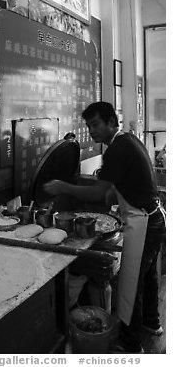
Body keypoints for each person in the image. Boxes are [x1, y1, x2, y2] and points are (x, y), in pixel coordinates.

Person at [44, 101, 166, 354]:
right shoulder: (128, 141)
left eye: (96, 124)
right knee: (148, 276)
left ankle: (131, 346)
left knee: (131, 283)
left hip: (144, 222)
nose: (92, 131)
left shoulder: (117, 149)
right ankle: (152, 323)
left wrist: (63, 187)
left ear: (112, 121)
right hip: (154, 216)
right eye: (88, 126)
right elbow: (113, 189)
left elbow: (101, 193)